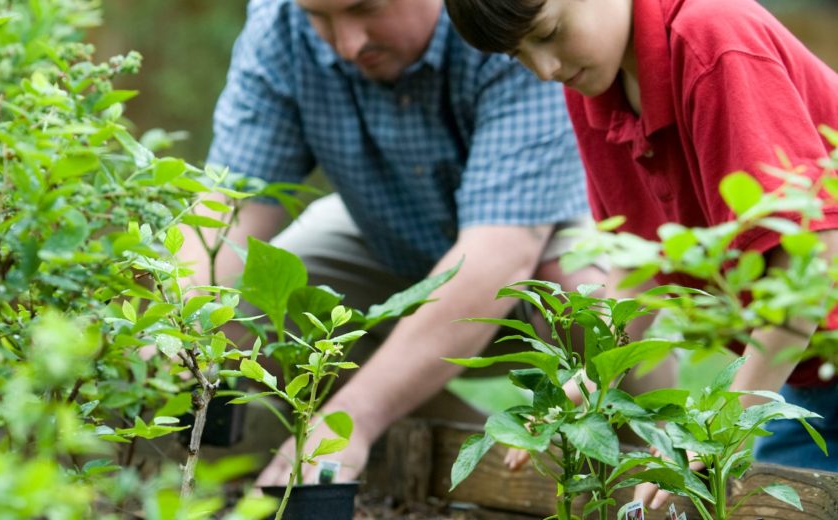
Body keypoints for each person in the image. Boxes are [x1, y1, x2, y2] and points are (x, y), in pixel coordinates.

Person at [181, 0, 623, 487]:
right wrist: (179, 326)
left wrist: (353, 418)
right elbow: (229, 207)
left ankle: (644, 462)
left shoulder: (504, 22)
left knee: (586, 302)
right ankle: (459, 455)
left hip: (534, 239)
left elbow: (498, 256)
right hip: (383, 234)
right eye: (320, 19)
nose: (348, 44)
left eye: (365, 9)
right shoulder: (280, 26)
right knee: (254, 305)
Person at [444, 0, 838, 509]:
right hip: (808, 376)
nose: (545, 69)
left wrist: (716, 427)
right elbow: (640, 260)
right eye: (518, 54)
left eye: (548, 33)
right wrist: (591, 381)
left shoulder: (712, 40)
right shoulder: (595, 87)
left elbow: (811, 257)